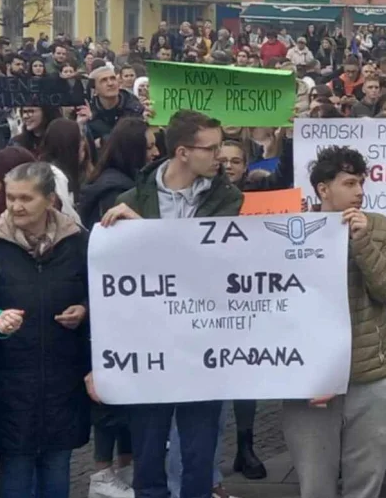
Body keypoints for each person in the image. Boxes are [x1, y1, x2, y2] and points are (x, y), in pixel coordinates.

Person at [99, 110, 243, 498]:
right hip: (150, 346)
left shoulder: (229, 197)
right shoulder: (130, 199)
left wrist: (145, 231)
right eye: (211, 149)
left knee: (198, 458)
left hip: (204, 343)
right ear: (182, 152)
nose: (221, 157)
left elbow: (205, 260)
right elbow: (112, 276)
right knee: (147, 461)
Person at [273, 146, 386, 498]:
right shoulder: (291, 229)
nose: (360, 191)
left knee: (365, 486)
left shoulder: (378, 227)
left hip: (369, 378)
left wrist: (362, 242)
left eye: (362, 183)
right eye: (349, 183)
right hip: (310, 384)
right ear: (322, 189)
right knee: (316, 487)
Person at [0, 162, 90, 498]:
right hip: (10, 377)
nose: (16, 206)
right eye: (11, 198)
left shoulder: (77, 242)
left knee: (58, 464)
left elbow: (100, 289)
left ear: (50, 200)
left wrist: (84, 308)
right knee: (15, 466)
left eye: (26, 198)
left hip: (62, 376)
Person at [86, 66, 145, 144]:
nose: (110, 83)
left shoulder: (134, 108)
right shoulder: (89, 113)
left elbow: (134, 139)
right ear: (95, 90)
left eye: (113, 78)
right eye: (103, 80)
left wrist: (102, 141)